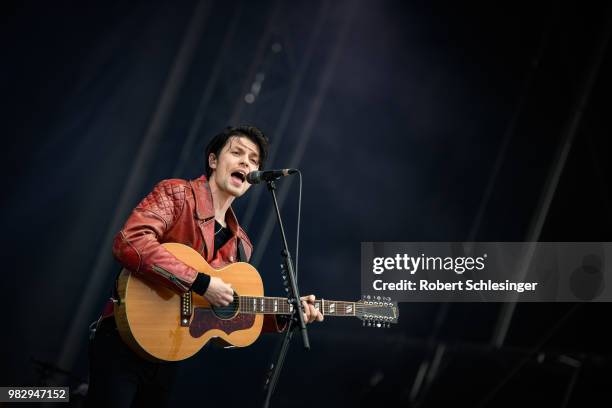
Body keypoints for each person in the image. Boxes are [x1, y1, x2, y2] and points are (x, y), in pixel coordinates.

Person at [86, 125, 323, 407]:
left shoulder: (241, 244)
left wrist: (285, 316)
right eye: (237, 153)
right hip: (123, 337)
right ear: (213, 161)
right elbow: (130, 242)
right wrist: (200, 282)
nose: (246, 163)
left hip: (172, 348)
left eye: (254, 160)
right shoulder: (176, 194)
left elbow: (230, 315)